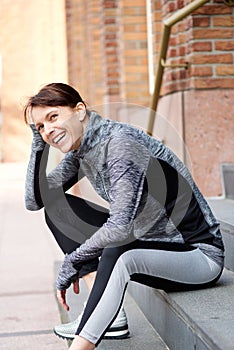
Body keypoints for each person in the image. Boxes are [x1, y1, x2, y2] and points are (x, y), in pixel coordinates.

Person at [24, 82, 224, 350]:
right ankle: (112, 315)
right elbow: (35, 200)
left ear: (79, 111)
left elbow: (119, 228)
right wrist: (38, 145)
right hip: (151, 242)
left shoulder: (119, 144)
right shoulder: (82, 148)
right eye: (40, 126)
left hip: (196, 256)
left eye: (53, 117)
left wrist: (72, 260)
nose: (48, 130)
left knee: (118, 249)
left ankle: (81, 345)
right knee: (58, 209)